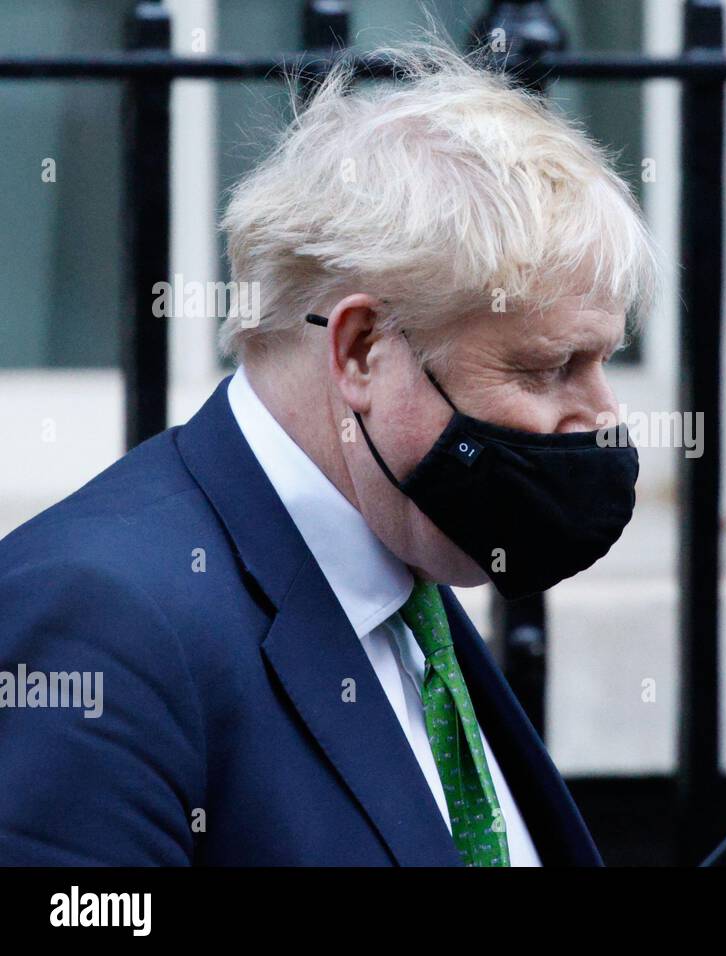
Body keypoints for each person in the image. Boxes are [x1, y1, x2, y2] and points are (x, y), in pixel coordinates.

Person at [0, 36, 663, 866]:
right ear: (358, 352)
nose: (600, 418)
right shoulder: (101, 623)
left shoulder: (399, 570)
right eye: (546, 368)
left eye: (603, 363)